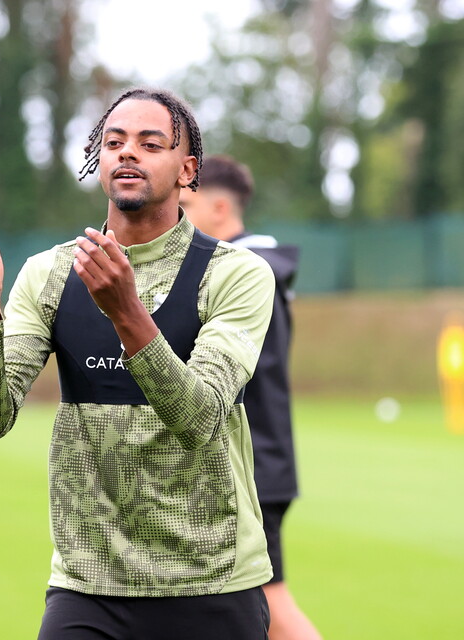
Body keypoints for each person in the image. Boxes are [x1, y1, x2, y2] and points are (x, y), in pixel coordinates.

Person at [0, 88, 276, 639]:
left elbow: (199, 418)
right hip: (87, 586)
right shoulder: (48, 274)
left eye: (151, 144)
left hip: (211, 583)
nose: (128, 153)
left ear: (187, 169)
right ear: (98, 160)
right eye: (114, 142)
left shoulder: (236, 274)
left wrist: (128, 313)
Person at [179, 155, 321, 640]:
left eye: (187, 204)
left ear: (219, 208)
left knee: (271, 603)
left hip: (254, 464)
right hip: (255, 461)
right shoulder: (249, 272)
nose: (178, 217)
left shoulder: (250, 273)